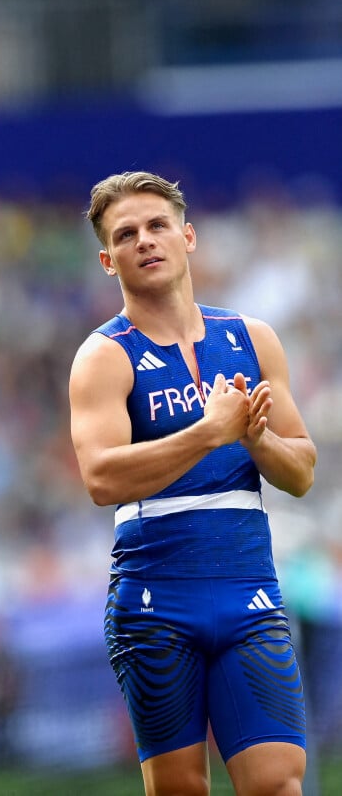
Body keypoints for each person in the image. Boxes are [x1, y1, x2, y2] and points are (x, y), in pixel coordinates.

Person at [69, 171, 317, 796]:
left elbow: (303, 472)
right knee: (180, 790)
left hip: (248, 592)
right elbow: (100, 477)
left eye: (157, 226)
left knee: (279, 784)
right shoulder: (104, 355)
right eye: (126, 235)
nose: (145, 241)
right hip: (155, 603)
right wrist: (209, 433)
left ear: (189, 235)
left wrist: (255, 439)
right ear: (107, 259)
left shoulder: (251, 339)